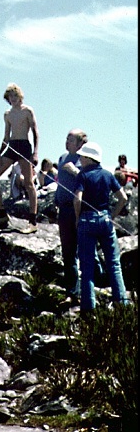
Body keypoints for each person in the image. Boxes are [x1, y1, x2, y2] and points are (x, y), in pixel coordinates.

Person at [74, 142, 129, 314]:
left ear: (88, 158)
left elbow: (77, 199)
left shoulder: (83, 175)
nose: (80, 159)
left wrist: (77, 219)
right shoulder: (108, 175)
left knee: (87, 266)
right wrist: (111, 216)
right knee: (114, 264)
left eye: (82, 156)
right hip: (105, 219)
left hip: (86, 220)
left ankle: (88, 309)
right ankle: (122, 305)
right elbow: (123, 198)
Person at [55, 128, 103, 304]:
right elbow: (60, 182)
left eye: (71, 140)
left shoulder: (86, 161)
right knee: (68, 253)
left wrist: (74, 171)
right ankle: (72, 293)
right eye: (66, 139)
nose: (67, 142)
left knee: (85, 251)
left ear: (81, 143)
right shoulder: (62, 158)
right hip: (64, 210)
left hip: (80, 210)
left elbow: (91, 181)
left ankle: (94, 288)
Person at [0, 83, 39, 232]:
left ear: (20, 96)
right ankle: (2, 213)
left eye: (15, 96)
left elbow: (35, 132)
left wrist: (35, 152)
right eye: (10, 97)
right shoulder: (7, 114)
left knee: (29, 183)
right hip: (12, 146)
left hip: (24, 145)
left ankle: (32, 221)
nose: (13, 99)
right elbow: (6, 136)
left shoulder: (27, 111)